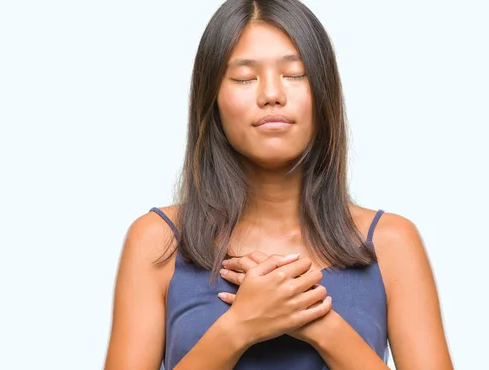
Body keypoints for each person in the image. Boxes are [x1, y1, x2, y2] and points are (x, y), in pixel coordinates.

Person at [104, 0, 453, 369]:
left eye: (295, 73)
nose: (271, 94)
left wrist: (320, 322)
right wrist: (239, 327)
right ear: (213, 99)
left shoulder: (391, 242)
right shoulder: (158, 240)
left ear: (324, 92)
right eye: (244, 78)